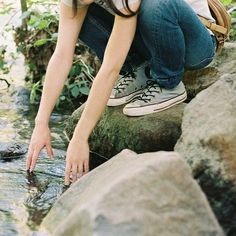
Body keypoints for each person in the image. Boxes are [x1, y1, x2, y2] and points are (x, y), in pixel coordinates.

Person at [26, 0, 217, 185]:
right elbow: (61, 54)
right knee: (82, 14)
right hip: (151, 37)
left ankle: (169, 82)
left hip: (194, 44)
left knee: (156, 3)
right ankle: (140, 69)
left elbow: (110, 67)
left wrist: (80, 137)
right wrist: (41, 123)